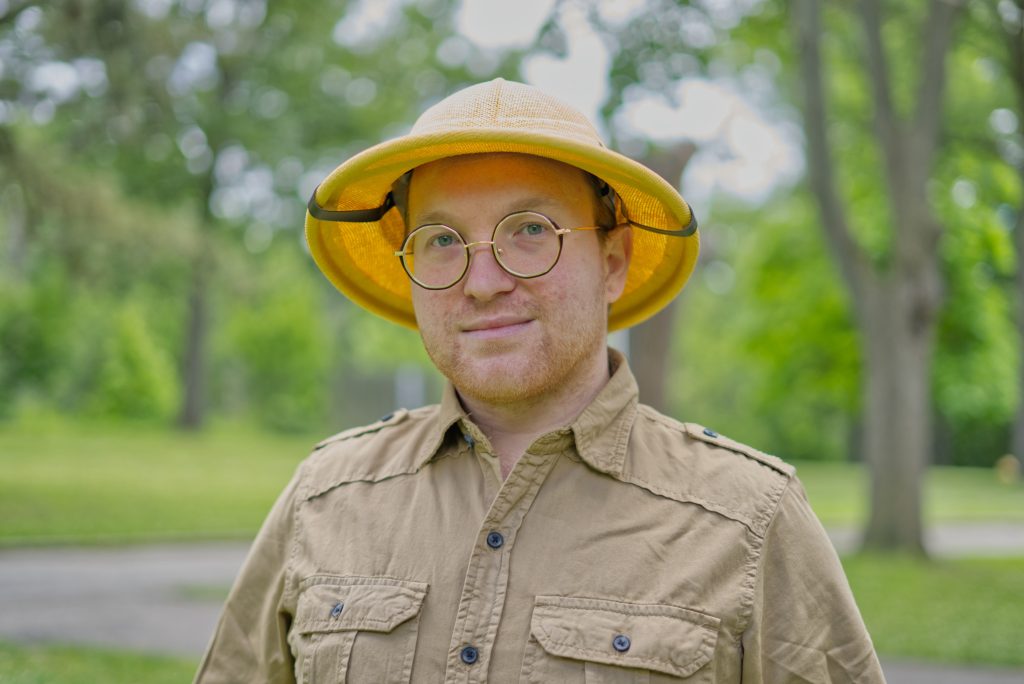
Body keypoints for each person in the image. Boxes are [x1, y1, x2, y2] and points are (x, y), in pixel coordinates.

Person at [194, 78, 884, 683]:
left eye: (529, 231)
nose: (484, 283)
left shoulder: (748, 520)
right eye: (441, 241)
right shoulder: (325, 497)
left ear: (612, 261)